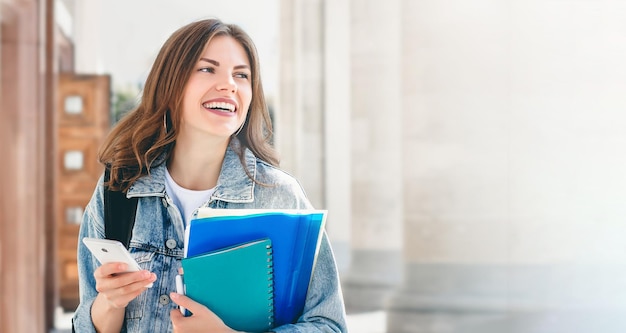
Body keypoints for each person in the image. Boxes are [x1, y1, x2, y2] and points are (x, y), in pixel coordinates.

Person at [72, 18, 348, 333]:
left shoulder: (278, 194)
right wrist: (110, 302)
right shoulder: (119, 188)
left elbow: (329, 325)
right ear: (170, 84)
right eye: (207, 69)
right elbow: (85, 324)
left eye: (241, 75)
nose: (229, 84)